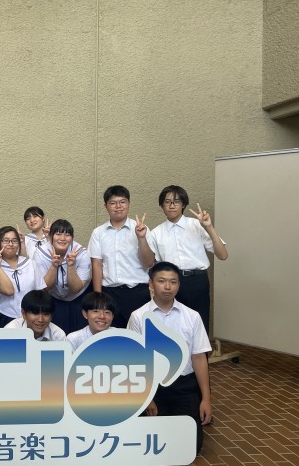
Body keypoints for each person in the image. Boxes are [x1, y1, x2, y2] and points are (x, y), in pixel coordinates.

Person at [128, 262, 212, 454]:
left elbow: (199, 358)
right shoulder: (138, 316)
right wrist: (146, 398)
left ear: (179, 285)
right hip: (153, 387)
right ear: (151, 283)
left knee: (190, 447)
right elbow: (135, 361)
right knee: (149, 444)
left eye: (173, 282)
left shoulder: (192, 316)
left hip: (184, 387)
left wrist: (206, 399)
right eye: (162, 281)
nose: (168, 287)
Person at [148, 185, 228, 333]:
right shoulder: (155, 233)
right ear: (162, 206)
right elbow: (152, 264)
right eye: (167, 202)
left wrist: (209, 227)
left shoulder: (197, 225)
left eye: (176, 201)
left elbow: (223, 255)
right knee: (171, 326)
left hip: (197, 281)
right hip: (170, 283)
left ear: (183, 204)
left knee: (199, 325)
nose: (172, 206)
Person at [88, 185, 154, 328]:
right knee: (112, 336)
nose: (118, 206)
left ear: (129, 204)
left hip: (138, 292)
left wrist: (141, 238)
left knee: (139, 335)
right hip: (109, 293)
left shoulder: (142, 229)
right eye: (113, 203)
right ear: (106, 206)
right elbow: (97, 265)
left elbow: (149, 263)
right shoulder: (98, 233)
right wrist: (98, 298)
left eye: (122, 202)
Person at [33, 219, 91, 335]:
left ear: (72, 238)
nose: (63, 238)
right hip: (53, 296)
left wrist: (71, 266)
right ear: (50, 236)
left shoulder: (81, 253)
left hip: (78, 297)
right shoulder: (40, 253)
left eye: (67, 235)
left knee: (79, 332)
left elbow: (76, 288)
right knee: (56, 333)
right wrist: (54, 266)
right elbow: (44, 287)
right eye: (58, 234)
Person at [0, 226, 46, 328]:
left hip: (31, 316)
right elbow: (8, 291)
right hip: (5, 316)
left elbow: (40, 292)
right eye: (6, 241)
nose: (10, 244)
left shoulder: (31, 263)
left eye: (14, 240)